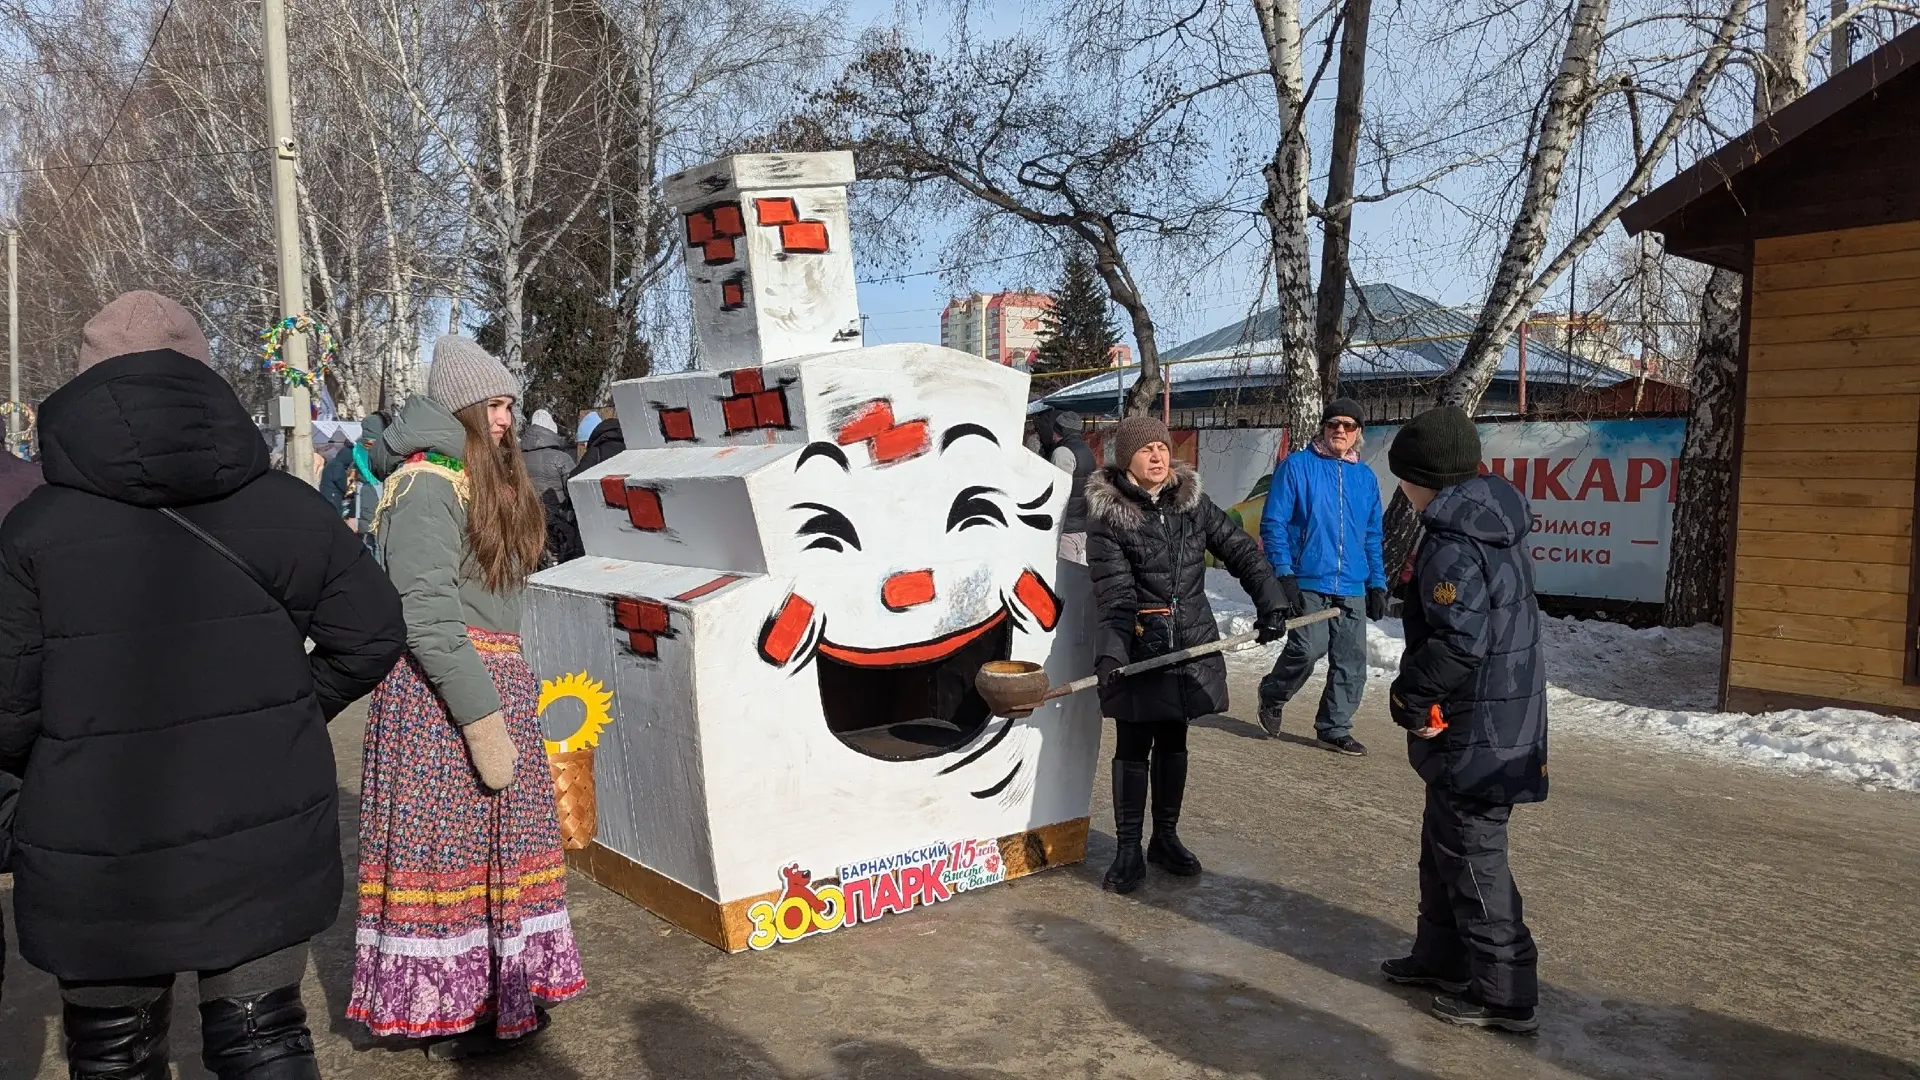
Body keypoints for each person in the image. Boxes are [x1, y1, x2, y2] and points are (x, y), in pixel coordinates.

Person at [0, 290, 407, 1079]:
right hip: (260, 835)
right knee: (264, 1038)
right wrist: (287, 709)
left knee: (113, 1051)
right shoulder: (287, 508)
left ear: (84, 385)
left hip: (95, 846)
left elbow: (6, 711)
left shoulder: (33, 532)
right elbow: (373, 634)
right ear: (202, 379)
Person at [348, 335, 586, 1057]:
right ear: (462, 408)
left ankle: (496, 993)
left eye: (510, 403)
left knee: (497, 848)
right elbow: (426, 616)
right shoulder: (425, 484)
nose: (507, 418)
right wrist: (483, 721)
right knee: (451, 851)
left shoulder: (473, 477)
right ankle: (450, 1007)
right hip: (442, 699)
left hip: (489, 682)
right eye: (496, 404)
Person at [1377, 405, 1547, 1034]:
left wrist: (1409, 697)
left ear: (1425, 479)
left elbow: (1458, 642)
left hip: (1478, 723)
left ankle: (1506, 992)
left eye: (1405, 479)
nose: (1402, 490)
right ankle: (1443, 957)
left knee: (1474, 856)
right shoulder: (1490, 519)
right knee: (1445, 843)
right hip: (1493, 713)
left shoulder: (1453, 540)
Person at [1085, 415, 1291, 894]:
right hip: (1140, 647)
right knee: (1133, 745)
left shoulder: (1191, 503)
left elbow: (1241, 551)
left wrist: (1271, 601)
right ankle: (1128, 848)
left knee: (1174, 741)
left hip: (1188, 643)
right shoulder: (1110, 519)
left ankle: (1165, 837)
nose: (1158, 455)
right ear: (1127, 461)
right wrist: (1113, 657)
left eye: (1162, 447)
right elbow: (1115, 597)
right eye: (1146, 450)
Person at [1255, 397, 1387, 756]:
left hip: (1352, 583)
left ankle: (1334, 728)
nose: (1339, 430)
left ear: (1358, 433)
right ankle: (1273, 694)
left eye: (1348, 425)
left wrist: (1377, 583)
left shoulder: (1365, 478)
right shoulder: (1297, 466)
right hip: (1307, 577)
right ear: (1323, 428)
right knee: (1307, 648)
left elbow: (1372, 535)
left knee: (1351, 660)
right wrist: (1284, 573)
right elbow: (1274, 523)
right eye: (1333, 424)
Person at [1033, 408, 1096, 565]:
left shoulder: (1062, 452)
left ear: (1061, 432)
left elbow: (1058, 492)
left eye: (1055, 432)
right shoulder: (1087, 451)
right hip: (1082, 526)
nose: (1053, 436)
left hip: (1066, 528)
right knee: (1076, 573)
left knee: (1063, 574)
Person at [521, 408, 575, 503]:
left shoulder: (518, 458)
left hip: (528, 510)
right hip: (558, 510)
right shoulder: (562, 458)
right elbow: (574, 490)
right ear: (552, 432)